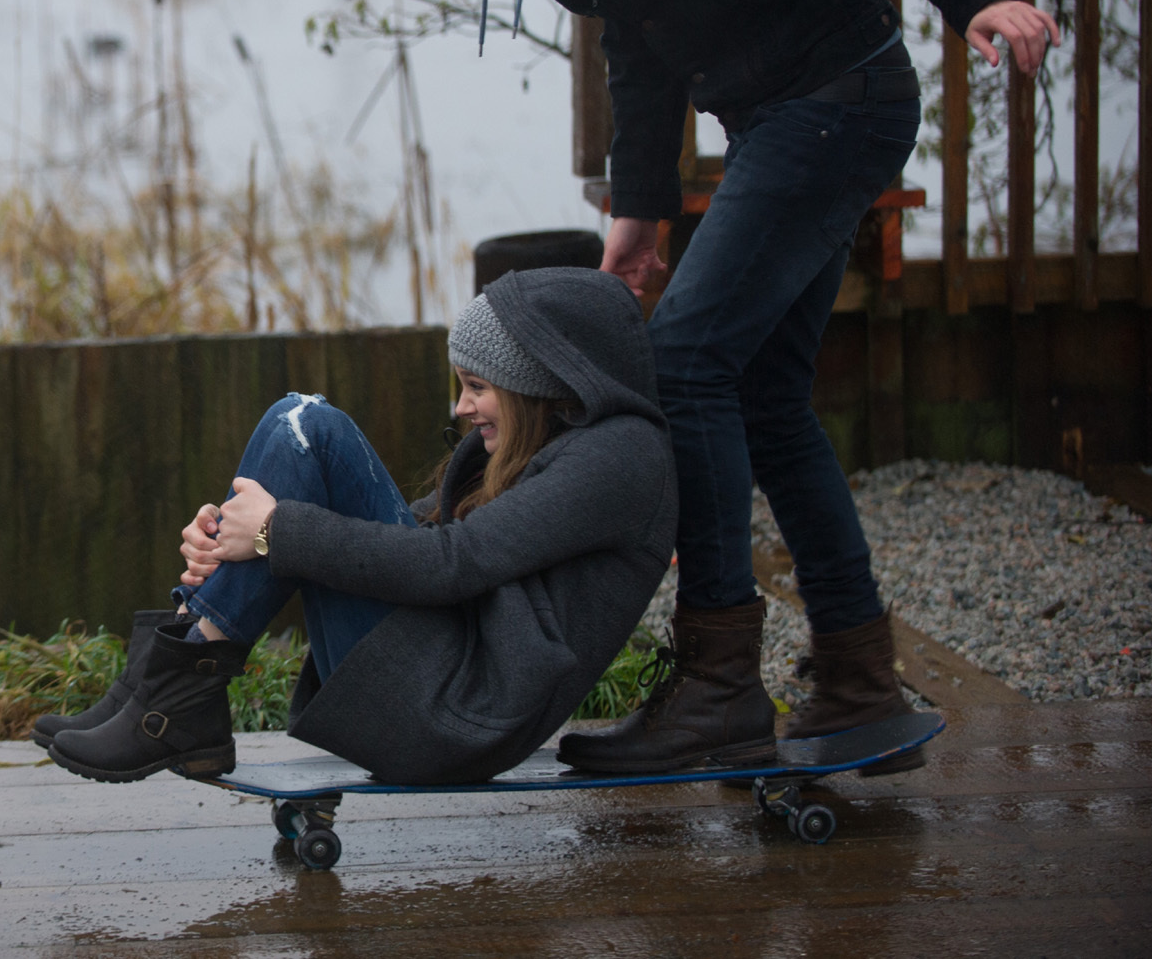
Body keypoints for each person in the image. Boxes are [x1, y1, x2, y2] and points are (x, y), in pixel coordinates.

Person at [350, 0, 1064, 773]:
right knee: (764, 390)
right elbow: (637, 35)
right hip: (783, 112)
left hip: (838, 98)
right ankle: (857, 675)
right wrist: (635, 207)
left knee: (683, 359)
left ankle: (720, 682)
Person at [33, 267, 676, 785]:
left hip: (454, 718)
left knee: (308, 425)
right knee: (300, 432)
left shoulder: (619, 457)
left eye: (477, 386)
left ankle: (173, 696)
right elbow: (424, 540)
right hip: (439, 689)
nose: (461, 407)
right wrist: (238, 534)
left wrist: (274, 531)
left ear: (537, 382)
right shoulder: (554, 447)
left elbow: (453, 563)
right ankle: (156, 686)